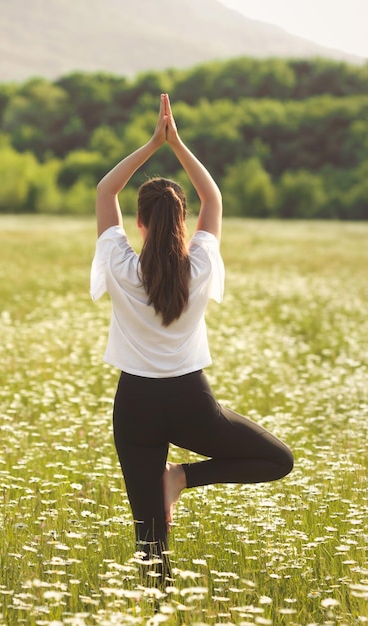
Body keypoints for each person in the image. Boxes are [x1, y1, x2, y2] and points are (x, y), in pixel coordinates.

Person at [90, 94, 293, 582]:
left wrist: (150, 145)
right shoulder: (199, 265)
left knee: (151, 544)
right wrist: (176, 144)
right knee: (277, 459)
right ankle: (180, 479)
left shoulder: (120, 265)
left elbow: (104, 192)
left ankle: (157, 604)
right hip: (190, 401)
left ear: (139, 223)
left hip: (134, 405)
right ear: (182, 223)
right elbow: (214, 200)